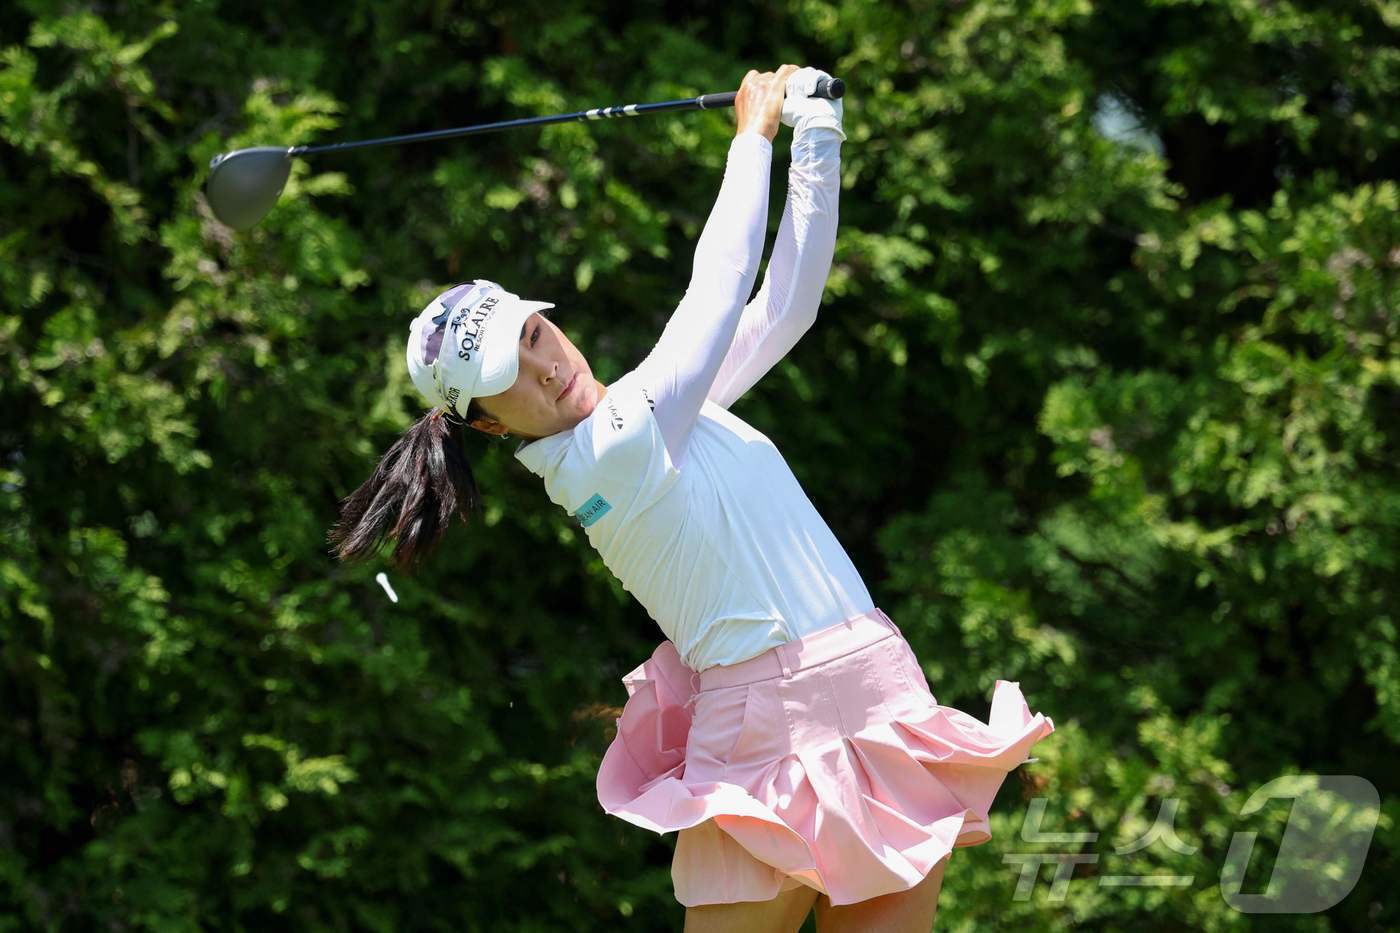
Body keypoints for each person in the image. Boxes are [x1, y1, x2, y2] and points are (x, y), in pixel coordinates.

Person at [330, 65, 1055, 933]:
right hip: (764, 737)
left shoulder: (666, 410)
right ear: (487, 426)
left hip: (877, 692)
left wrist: (815, 136)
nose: (547, 367)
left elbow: (783, 305)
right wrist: (752, 138)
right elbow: (716, 292)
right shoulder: (607, 453)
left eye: (534, 334)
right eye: (509, 378)